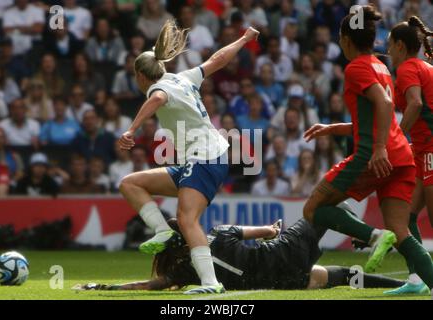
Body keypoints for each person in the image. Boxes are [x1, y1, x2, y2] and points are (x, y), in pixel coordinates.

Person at [118, 19, 259, 295]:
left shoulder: (158, 89)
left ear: (141, 75)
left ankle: (210, 283)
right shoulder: (182, 78)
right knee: (130, 183)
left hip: (205, 158)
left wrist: (131, 129)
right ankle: (162, 231)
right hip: (203, 158)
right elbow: (217, 60)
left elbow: (157, 99)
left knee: (187, 219)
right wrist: (244, 40)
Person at [302, 6, 433, 295]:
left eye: (340, 38)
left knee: (313, 208)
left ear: (347, 40)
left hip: (372, 158)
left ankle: (374, 236)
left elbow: (385, 106)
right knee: (403, 233)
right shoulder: (381, 67)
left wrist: (377, 149)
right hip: (402, 157)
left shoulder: (357, 67)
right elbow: (375, 118)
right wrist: (333, 128)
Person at [75, 206, 407, 292]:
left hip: (280, 282)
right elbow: (267, 230)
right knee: (322, 208)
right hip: (281, 255)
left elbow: (146, 285)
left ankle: (403, 284)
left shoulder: (183, 271)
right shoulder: (219, 234)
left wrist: (104, 286)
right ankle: (369, 237)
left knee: (340, 277)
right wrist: (273, 231)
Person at [383, 16, 433, 295]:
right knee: (405, 217)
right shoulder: (425, 65)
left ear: (401, 46)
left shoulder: (407, 70)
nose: (388, 50)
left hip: (430, 150)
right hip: (425, 149)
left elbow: (415, 103)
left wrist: (398, 139)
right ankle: (416, 279)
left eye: (390, 45)